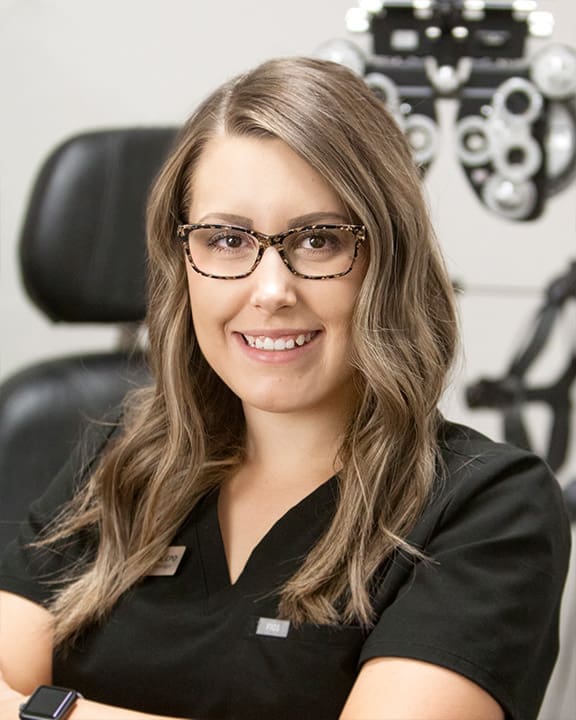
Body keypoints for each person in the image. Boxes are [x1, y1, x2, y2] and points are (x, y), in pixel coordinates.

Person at [0, 57, 571, 720]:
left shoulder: (488, 507)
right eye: (226, 239)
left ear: (389, 260)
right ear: (183, 261)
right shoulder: (122, 469)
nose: (271, 291)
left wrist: (45, 713)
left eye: (321, 240)